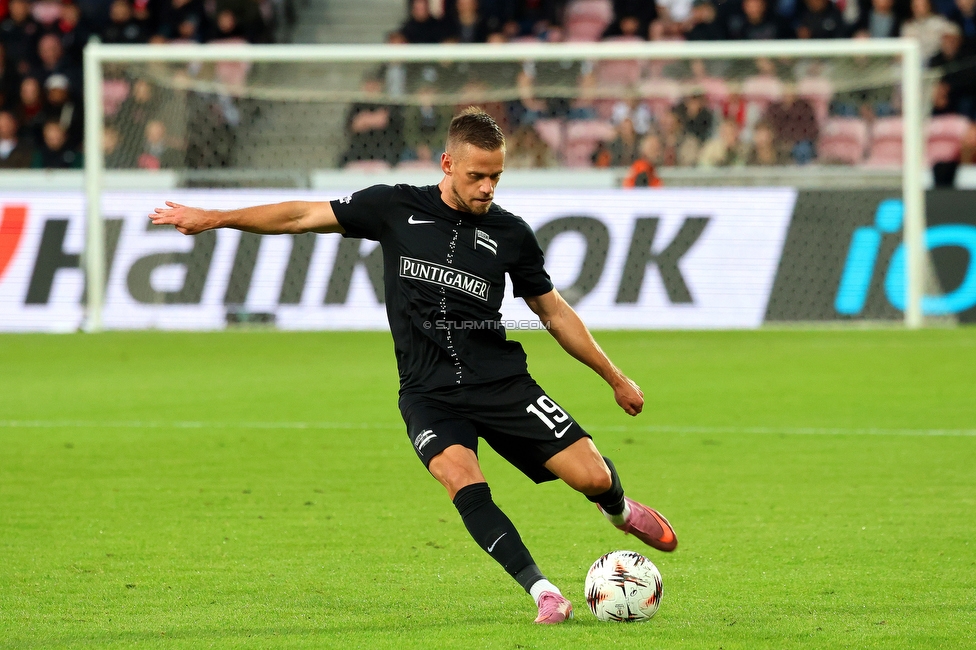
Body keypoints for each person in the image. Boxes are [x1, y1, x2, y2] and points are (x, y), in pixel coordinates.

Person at [148, 107, 677, 625]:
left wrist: (614, 377)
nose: (488, 187)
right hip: (428, 392)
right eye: (477, 175)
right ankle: (543, 592)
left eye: (496, 176)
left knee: (591, 476)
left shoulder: (511, 234)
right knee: (460, 478)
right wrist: (215, 217)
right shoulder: (393, 207)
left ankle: (620, 512)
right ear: (447, 165)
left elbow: (553, 312)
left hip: (502, 383)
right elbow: (300, 216)